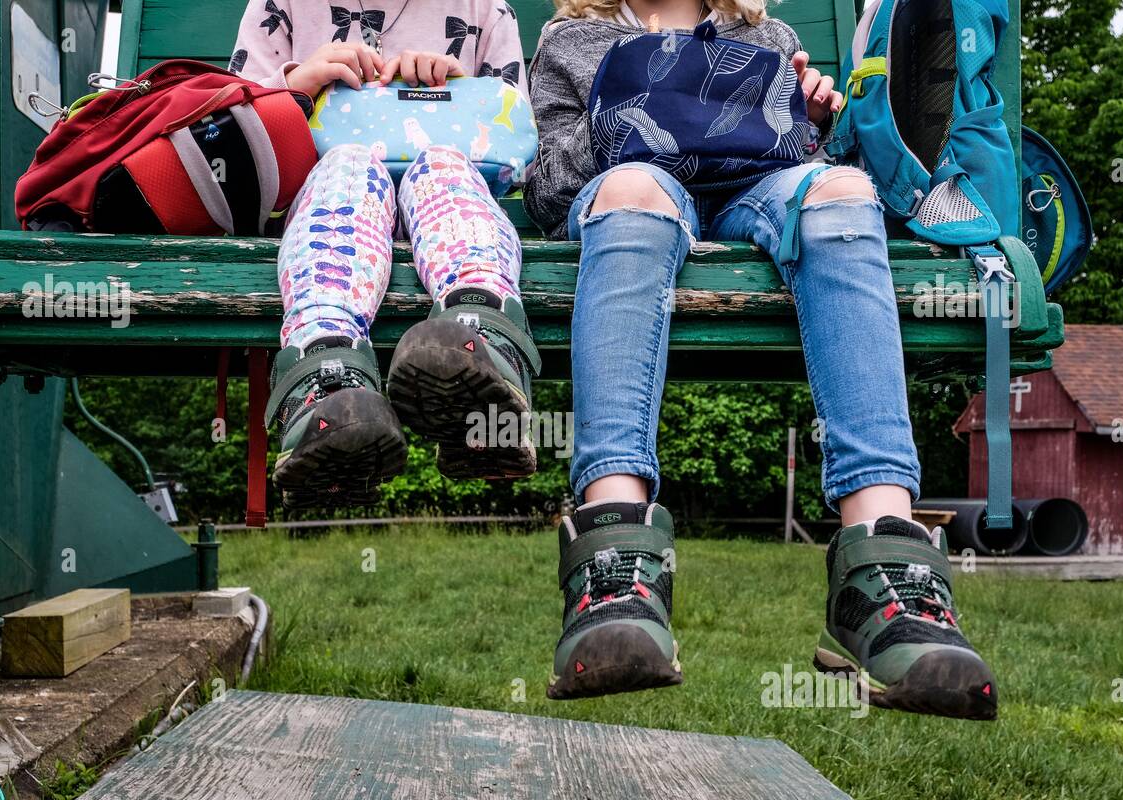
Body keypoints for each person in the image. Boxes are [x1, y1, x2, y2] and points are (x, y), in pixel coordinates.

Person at [524, 0, 998, 719]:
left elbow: (799, 162)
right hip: (639, 189)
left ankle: (884, 571)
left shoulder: (764, 36)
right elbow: (547, 188)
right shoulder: (573, 38)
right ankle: (614, 564)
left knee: (844, 193)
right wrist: (636, 105)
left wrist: (815, 122)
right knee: (630, 192)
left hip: (754, 196)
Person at [231, 1, 539, 508]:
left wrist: (465, 96)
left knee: (441, 162)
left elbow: (523, 154)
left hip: (449, 203)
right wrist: (297, 87)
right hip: (332, 201)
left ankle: (481, 345)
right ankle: (327, 382)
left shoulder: (483, 8)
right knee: (349, 163)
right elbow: (232, 141)